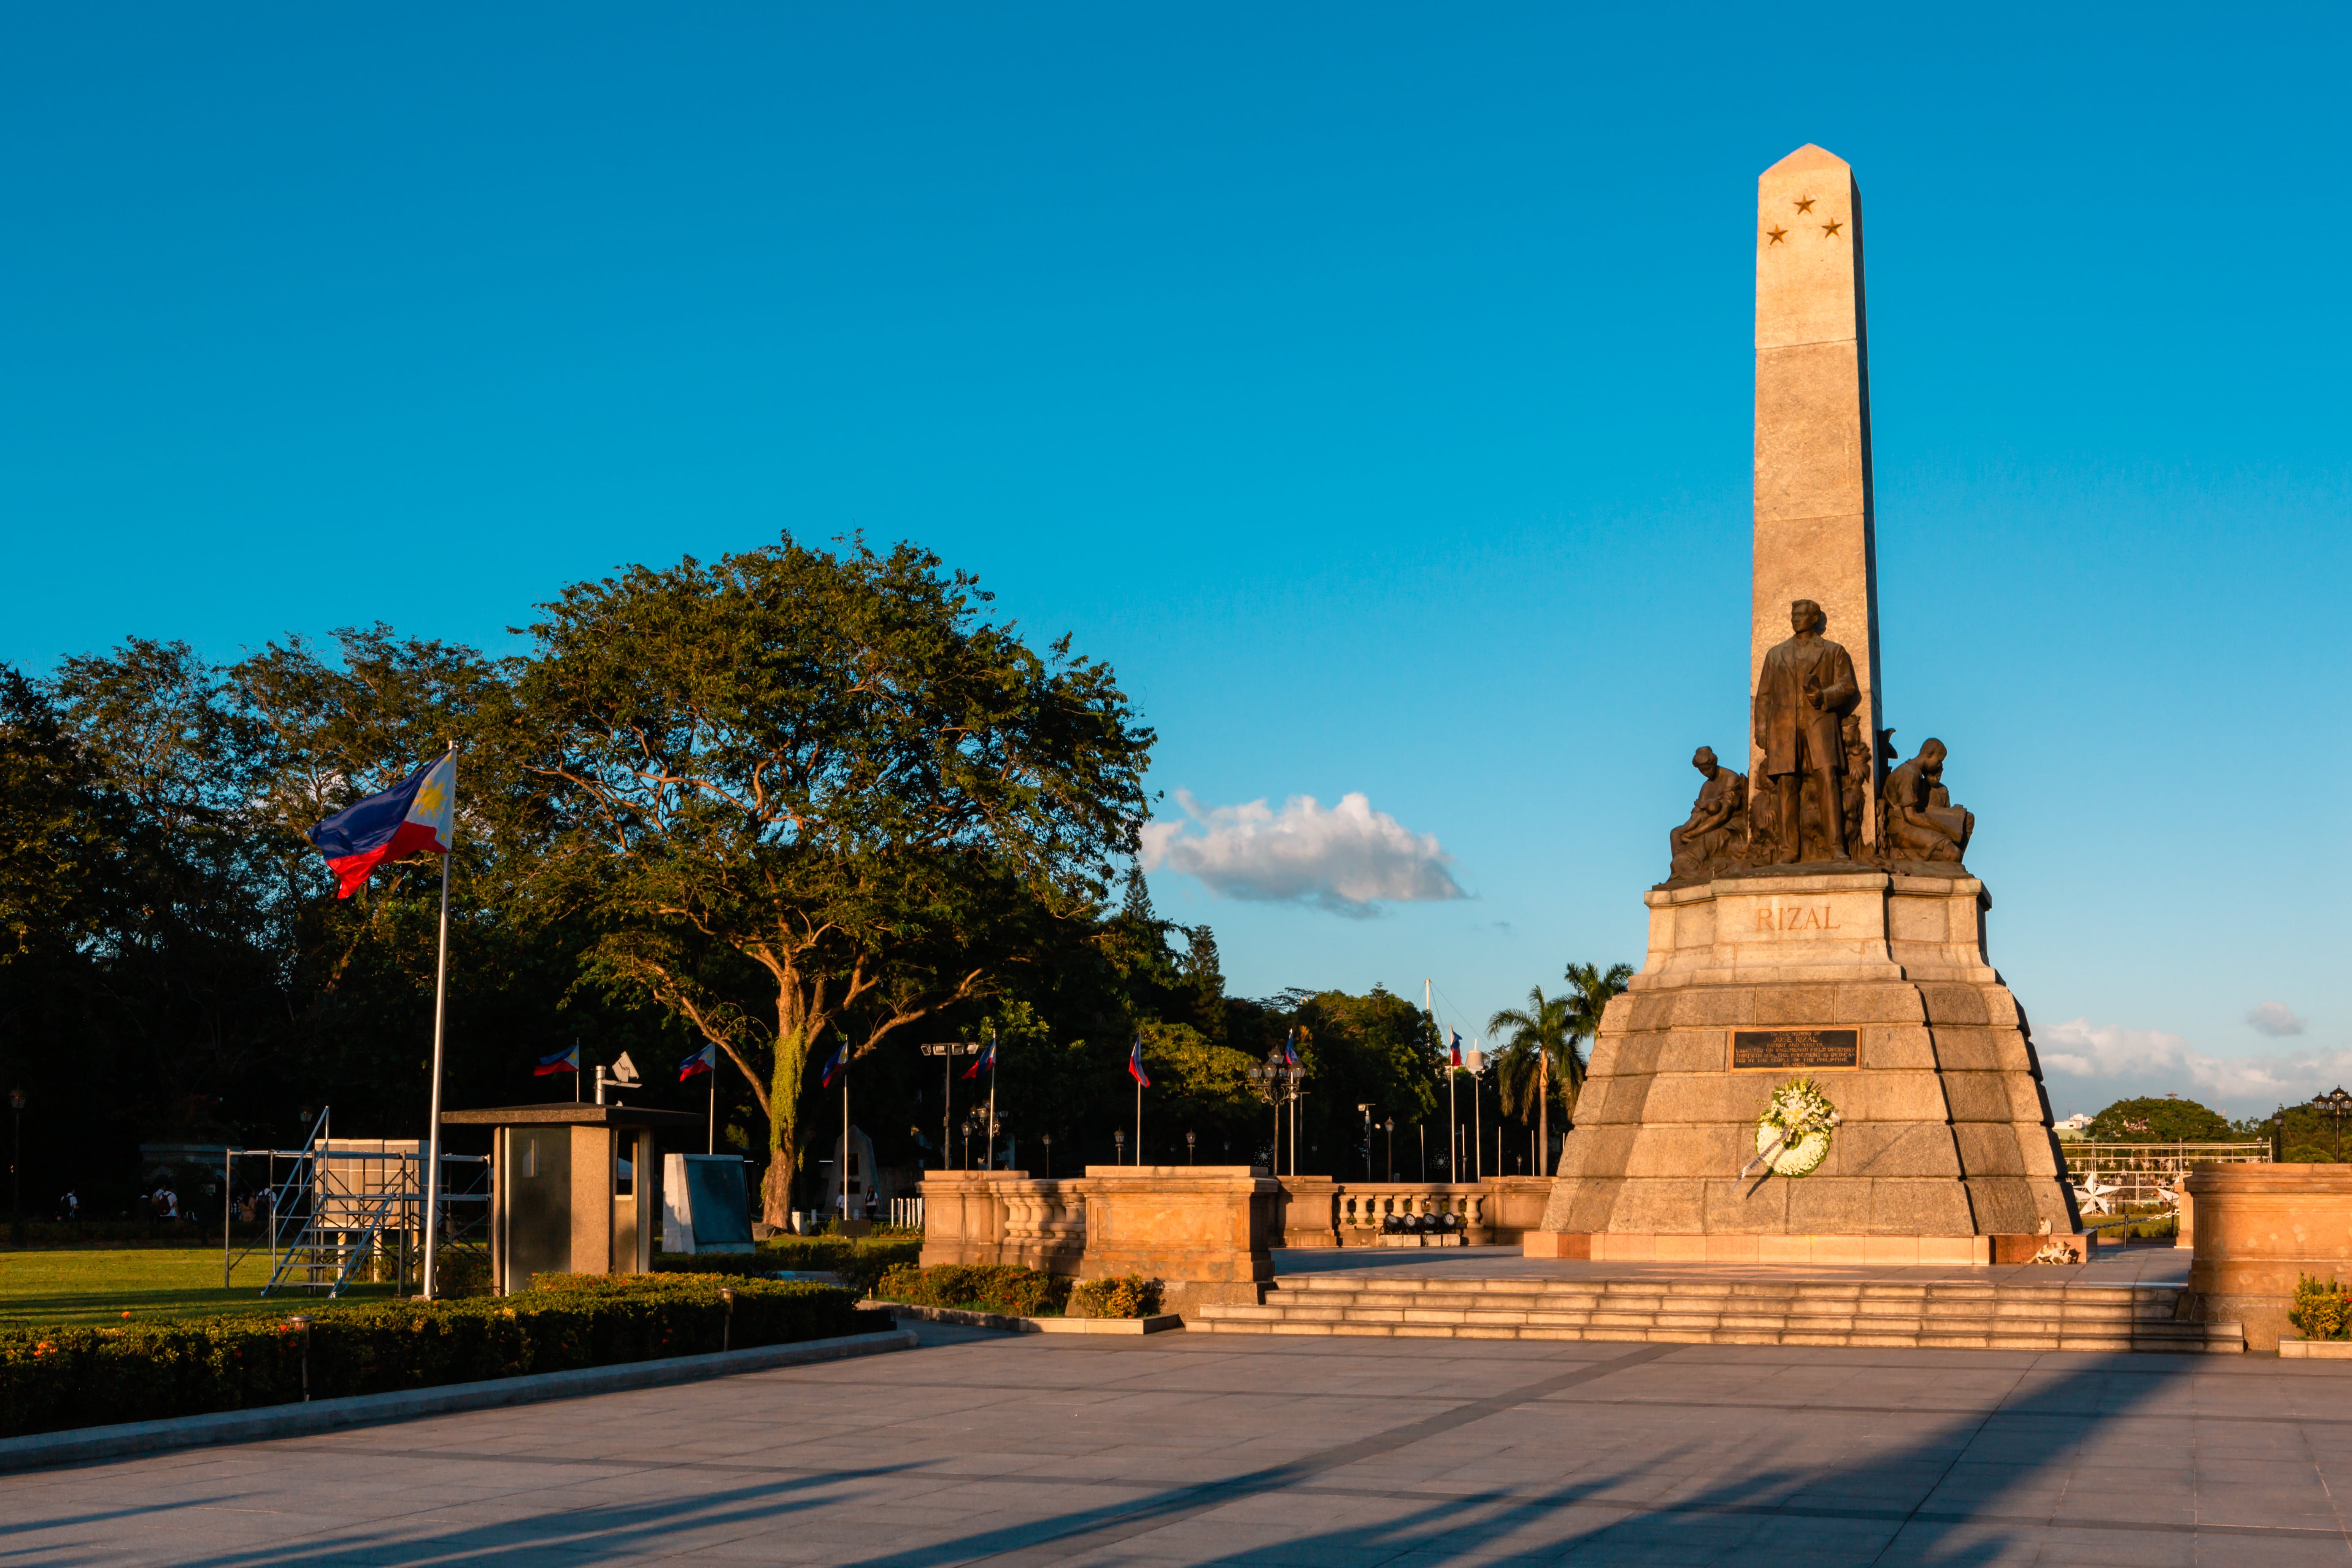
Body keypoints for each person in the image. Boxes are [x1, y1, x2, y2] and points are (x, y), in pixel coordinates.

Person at [1751, 599, 1859, 864]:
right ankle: (1789, 849)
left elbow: (1847, 687)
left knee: (1828, 782)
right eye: (1793, 614)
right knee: (1786, 785)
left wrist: (1824, 695)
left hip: (1820, 726)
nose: (1795, 619)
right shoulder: (1776, 654)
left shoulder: (1834, 651)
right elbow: (1763, 695)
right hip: (1784, 729)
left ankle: (1836, 846)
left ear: (1815, 619)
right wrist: (1762, 729)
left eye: (1801, 614)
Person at [1667, 746, 1746, 880]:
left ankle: (1695, 872)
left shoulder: (1730, 778)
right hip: (1709, 827)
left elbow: (1724, 816)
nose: (1706, 773)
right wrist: (1685, 830)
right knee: (1675, 833)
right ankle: (1681, 876)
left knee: (1696, 846)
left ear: (1714, 763)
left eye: (1708, 769)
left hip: (1730, 830)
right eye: (1702, 771)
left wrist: (1694, 834)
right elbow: (1697, 814)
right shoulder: (1707, 786)